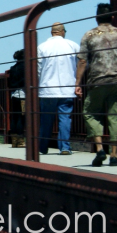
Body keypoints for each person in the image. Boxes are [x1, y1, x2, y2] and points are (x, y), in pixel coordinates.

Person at [77, 3, 117, 167]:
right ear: (112, 17)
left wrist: (77, 83)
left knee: (90, 113)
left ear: (96, 18)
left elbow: (82, 60)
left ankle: (99, 149)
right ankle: (114, 155)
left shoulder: (89, 35)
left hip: (97, 81)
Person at [37, 22, 79, 155]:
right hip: (67, 88)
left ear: (52, 32)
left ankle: (42, 147)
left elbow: (37, 69)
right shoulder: (72, 45)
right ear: (62, 31)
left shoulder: (42, 47)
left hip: (47, 89)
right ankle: (65, 147)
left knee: (46, 120)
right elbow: (81, 64)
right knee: (65, 118)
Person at [6, 50, 26, 148]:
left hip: (14, 95)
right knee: (22, 118)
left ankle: (15, 141)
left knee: (15, 118)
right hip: (23, 95)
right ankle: (21, 140)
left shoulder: (13, 68)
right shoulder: (26, 67)